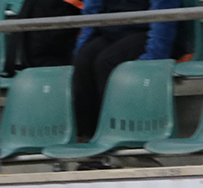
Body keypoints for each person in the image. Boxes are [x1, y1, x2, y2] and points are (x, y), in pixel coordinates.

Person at [72, 0, 181, 142]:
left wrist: (154, 56)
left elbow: (164, 16)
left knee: (106, 62)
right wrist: (82, 46)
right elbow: (92, 8)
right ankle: (88, 137)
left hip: (146, 33)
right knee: (82, 62)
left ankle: (117, 133)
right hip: (111, 32)